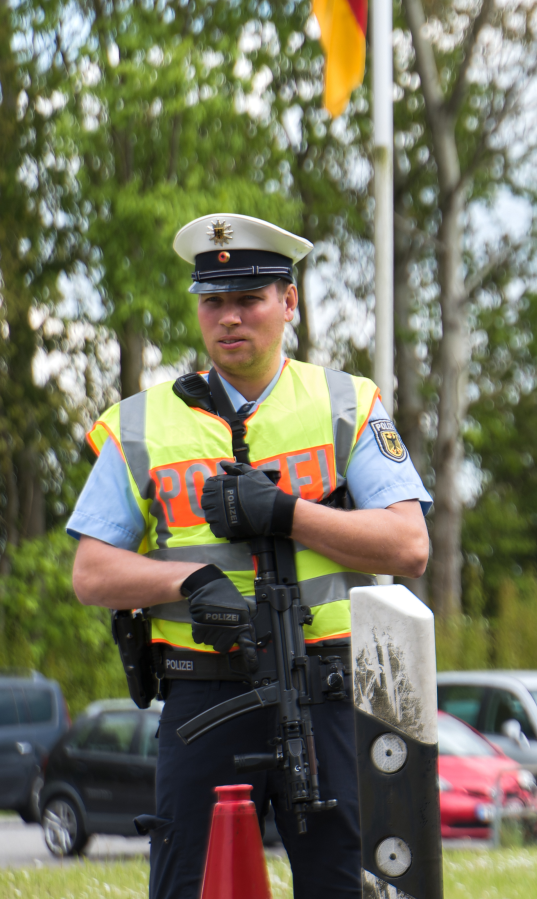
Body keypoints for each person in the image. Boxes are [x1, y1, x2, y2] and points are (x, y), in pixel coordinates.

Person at [67, 213, 432, 899]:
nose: (229, 318)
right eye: (214, 302)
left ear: (288, 302)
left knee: (343, 887)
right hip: (204, 694)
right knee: (191, 888)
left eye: (249, 299)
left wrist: (290, 514)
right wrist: (189, 578)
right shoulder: (143, 422)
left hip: (326, 695)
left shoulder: (345, 403)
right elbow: (92, 573)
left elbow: (408, 544)